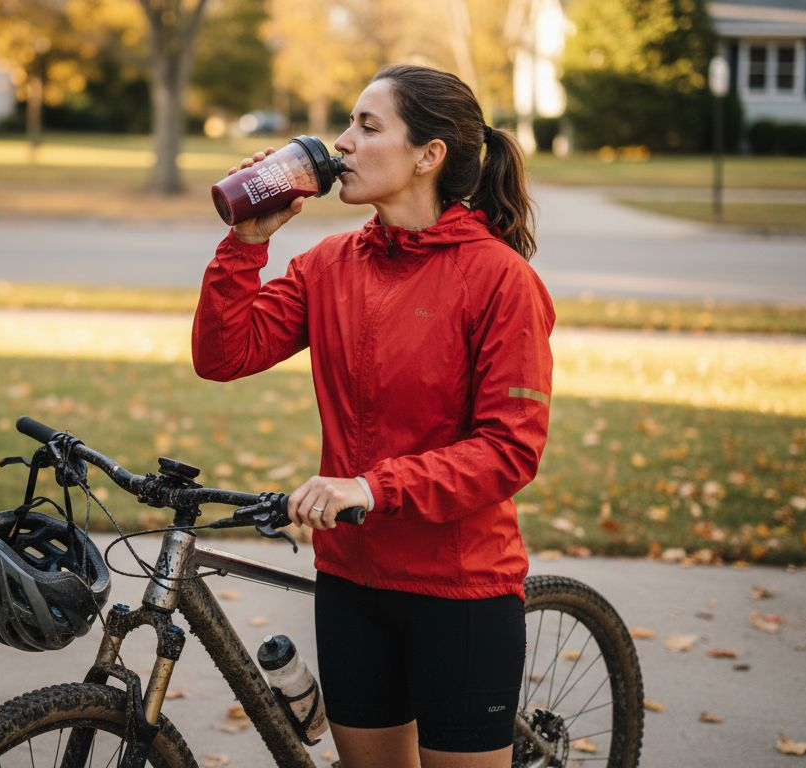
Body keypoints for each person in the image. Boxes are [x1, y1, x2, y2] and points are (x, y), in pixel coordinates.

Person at [191, 63, 554, 768]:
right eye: (348, 124)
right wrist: (246, 244)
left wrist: (371, 487)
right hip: (351, 582)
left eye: (367, 125)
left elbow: (509, 451)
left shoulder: (500, 281)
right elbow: (224, 354)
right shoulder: (329, 265)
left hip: (460, 591)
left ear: (428, 155)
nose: (342, 143)